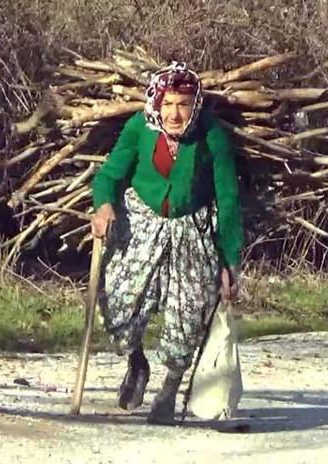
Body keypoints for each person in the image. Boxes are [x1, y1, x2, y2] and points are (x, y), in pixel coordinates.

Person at [90, 62, 244, 424]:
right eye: (168, 104)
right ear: (156, 103)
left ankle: (170, 388)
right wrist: (104, 206)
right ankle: (136, 363)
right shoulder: (139, 129)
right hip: (141, 225)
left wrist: (230, 259)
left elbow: (228, 198)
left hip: (192, 231)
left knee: (188, 315)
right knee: (119, 304)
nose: (175, 114)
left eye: (184, 104)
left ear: (196, 105)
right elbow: (109, 175)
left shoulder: (212, 136)